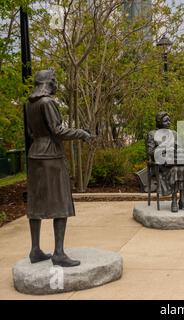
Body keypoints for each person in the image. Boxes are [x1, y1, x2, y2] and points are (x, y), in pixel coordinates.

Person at [26, 69, 92, 267]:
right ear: (48, 82)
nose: (56, 83)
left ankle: (35, 250)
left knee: (36, 203)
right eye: (54, 80)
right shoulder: (47, 103)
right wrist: (81, 133)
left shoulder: (29, 103)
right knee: (61, 203)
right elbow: (58, 130)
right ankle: (59, 253)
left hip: (34, 153)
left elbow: (30, 131)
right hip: (51, 156)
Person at [147, 112, 184, 213]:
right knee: (176, 170)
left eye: (169, 120)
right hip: (162, 165)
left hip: (175, 161)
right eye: (165, 120)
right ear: (159, 121)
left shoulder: (174, 133)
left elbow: (180, 148)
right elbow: (150, 152)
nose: (169, 122)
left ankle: (182, 200)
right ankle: (174, 201)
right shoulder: (152, 134)